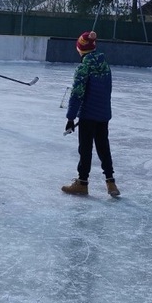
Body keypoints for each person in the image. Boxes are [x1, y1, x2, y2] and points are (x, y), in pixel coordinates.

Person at [62, 31, 119, 197]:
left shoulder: (83, 67)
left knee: (85, 149)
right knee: (103, 147)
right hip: (103, 114)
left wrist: (70, 118)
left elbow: (77, 93)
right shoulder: (105, 65)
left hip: (88, 115)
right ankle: (111, 182)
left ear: (81, 49)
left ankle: (82, 183)